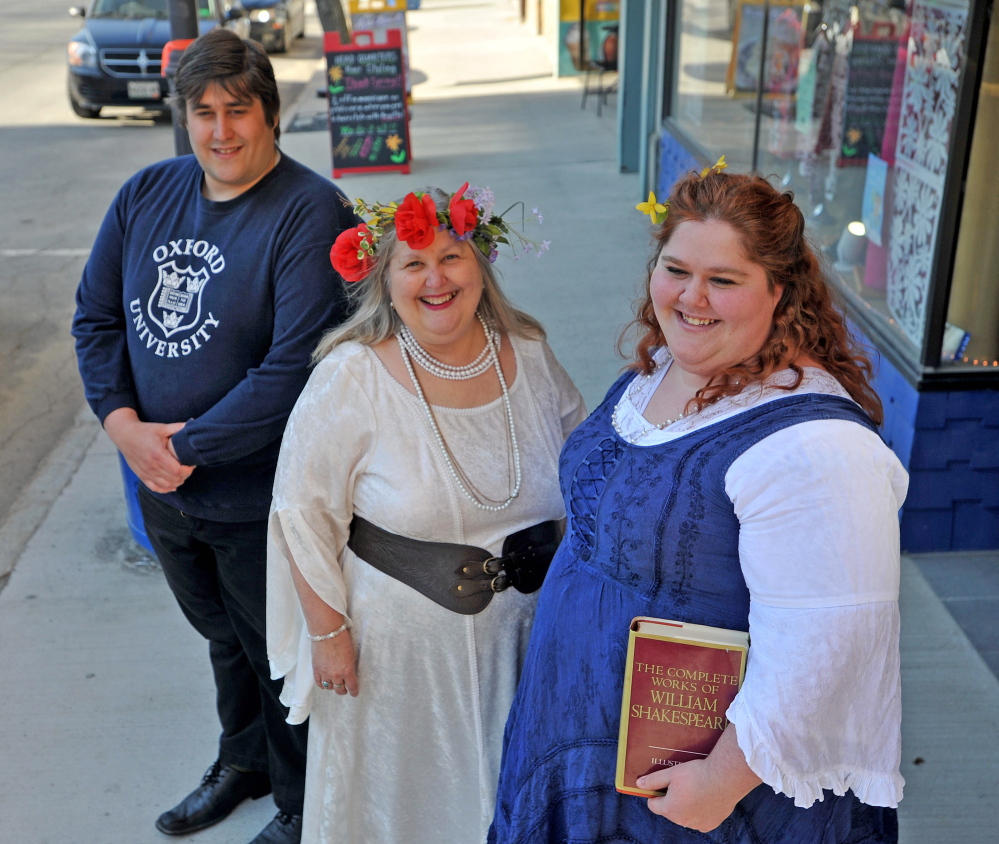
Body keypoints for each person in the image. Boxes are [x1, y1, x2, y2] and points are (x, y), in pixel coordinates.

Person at [489, 166, 908, 844]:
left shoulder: (816, 447)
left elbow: (830, 644)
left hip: (704, 799)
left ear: (779, 290)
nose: (691, 297)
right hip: (582, 747)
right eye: (675, 269)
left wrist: (718, 783)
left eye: (723, 279)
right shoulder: (658, 373)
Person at [72, 28, 356, 844]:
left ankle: (306, 802)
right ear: (185, 118)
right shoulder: (145, 195)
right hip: (162, 487)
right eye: (205, 112)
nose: (221, 130)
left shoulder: (308, 210)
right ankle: (244, 762)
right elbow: (95, 321)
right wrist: (124, 427)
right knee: (221, 638)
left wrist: (178, 450)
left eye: (239, 110)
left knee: (278, 651)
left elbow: (294, 367)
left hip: (258, 492)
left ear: (269, 113)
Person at [266, 183, 586, 844]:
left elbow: (582, 468)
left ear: (481, 268)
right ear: (385, 280)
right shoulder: (351, 377)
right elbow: (302, 512)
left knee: (509, 797)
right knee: (405, 809)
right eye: (413, 263)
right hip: (399, 664)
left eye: (452, 257)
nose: (435, 279)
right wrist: (328, 635)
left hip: (526, 644)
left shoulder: (526, 354)